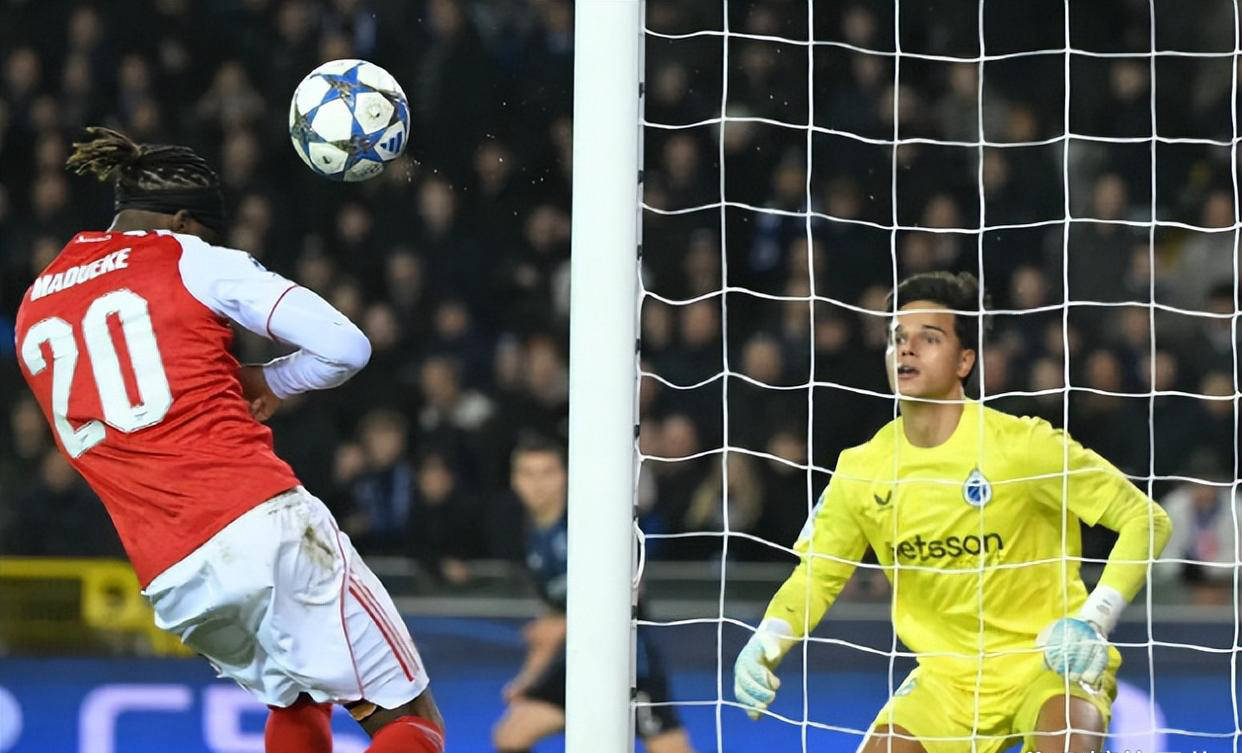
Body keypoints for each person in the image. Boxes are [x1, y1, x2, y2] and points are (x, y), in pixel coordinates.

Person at [14, 127, 444, 753]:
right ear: (184, 221)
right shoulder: (190, 258)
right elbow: (346, 346)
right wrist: (270, 379)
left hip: (170, 571)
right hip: (257, 522)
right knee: (410, 718)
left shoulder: (35, 302)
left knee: (294, 700)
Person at [732, 271, 1172, 753]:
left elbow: (1146, 519)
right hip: (946, 682)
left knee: (1068, 739)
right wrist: (766, 642)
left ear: (965, 361)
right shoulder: (862, 469)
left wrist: (1093, 620)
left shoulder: (1023, 446)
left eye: (929, 338)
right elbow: (817, 575)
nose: (906, 349)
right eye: (897, 337)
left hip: (1048, 661)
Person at [492, 433, 696, 753]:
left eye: (547, 473)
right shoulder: (526, 532)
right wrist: (527, 681)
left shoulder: (589, 524)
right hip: (579, 661)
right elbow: (552, 616)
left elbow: (630, 591)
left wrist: (561, 625)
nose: (538, 484)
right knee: (511, 736)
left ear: (565, 476)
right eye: (528, 474)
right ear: (514, 480)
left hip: (628, 660)